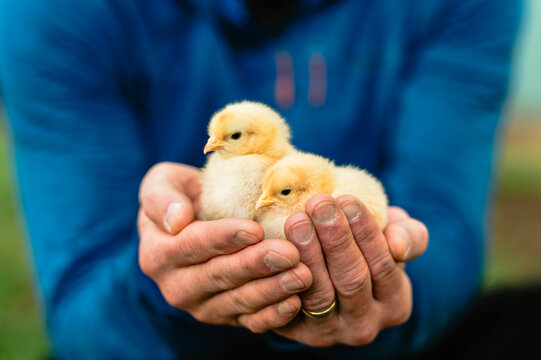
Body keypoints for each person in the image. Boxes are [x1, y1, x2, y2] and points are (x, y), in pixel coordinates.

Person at [0, 0, 522, 359]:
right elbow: (82, 318)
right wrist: (168, 280)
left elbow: (445, 234)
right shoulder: (56, 12)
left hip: (384, 346)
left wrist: (394, 284)